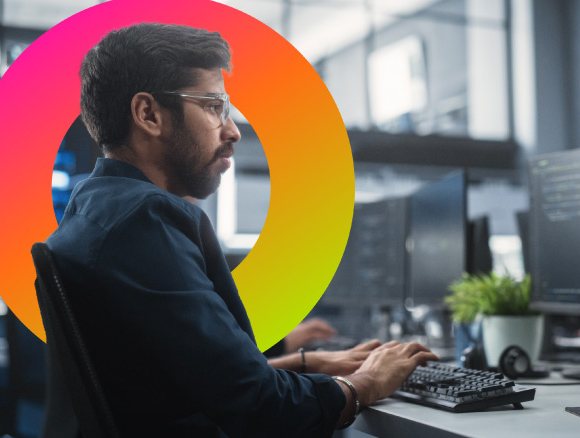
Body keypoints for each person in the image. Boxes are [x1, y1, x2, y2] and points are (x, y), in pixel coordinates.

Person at [45, 22, 438, 437]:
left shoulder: (94, 211)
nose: (232, 130)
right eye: (214, 107)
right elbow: (264, 410)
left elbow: (179, 387)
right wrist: (366, 383)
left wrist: (304, 363)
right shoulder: (144, 220)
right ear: (149, 114)